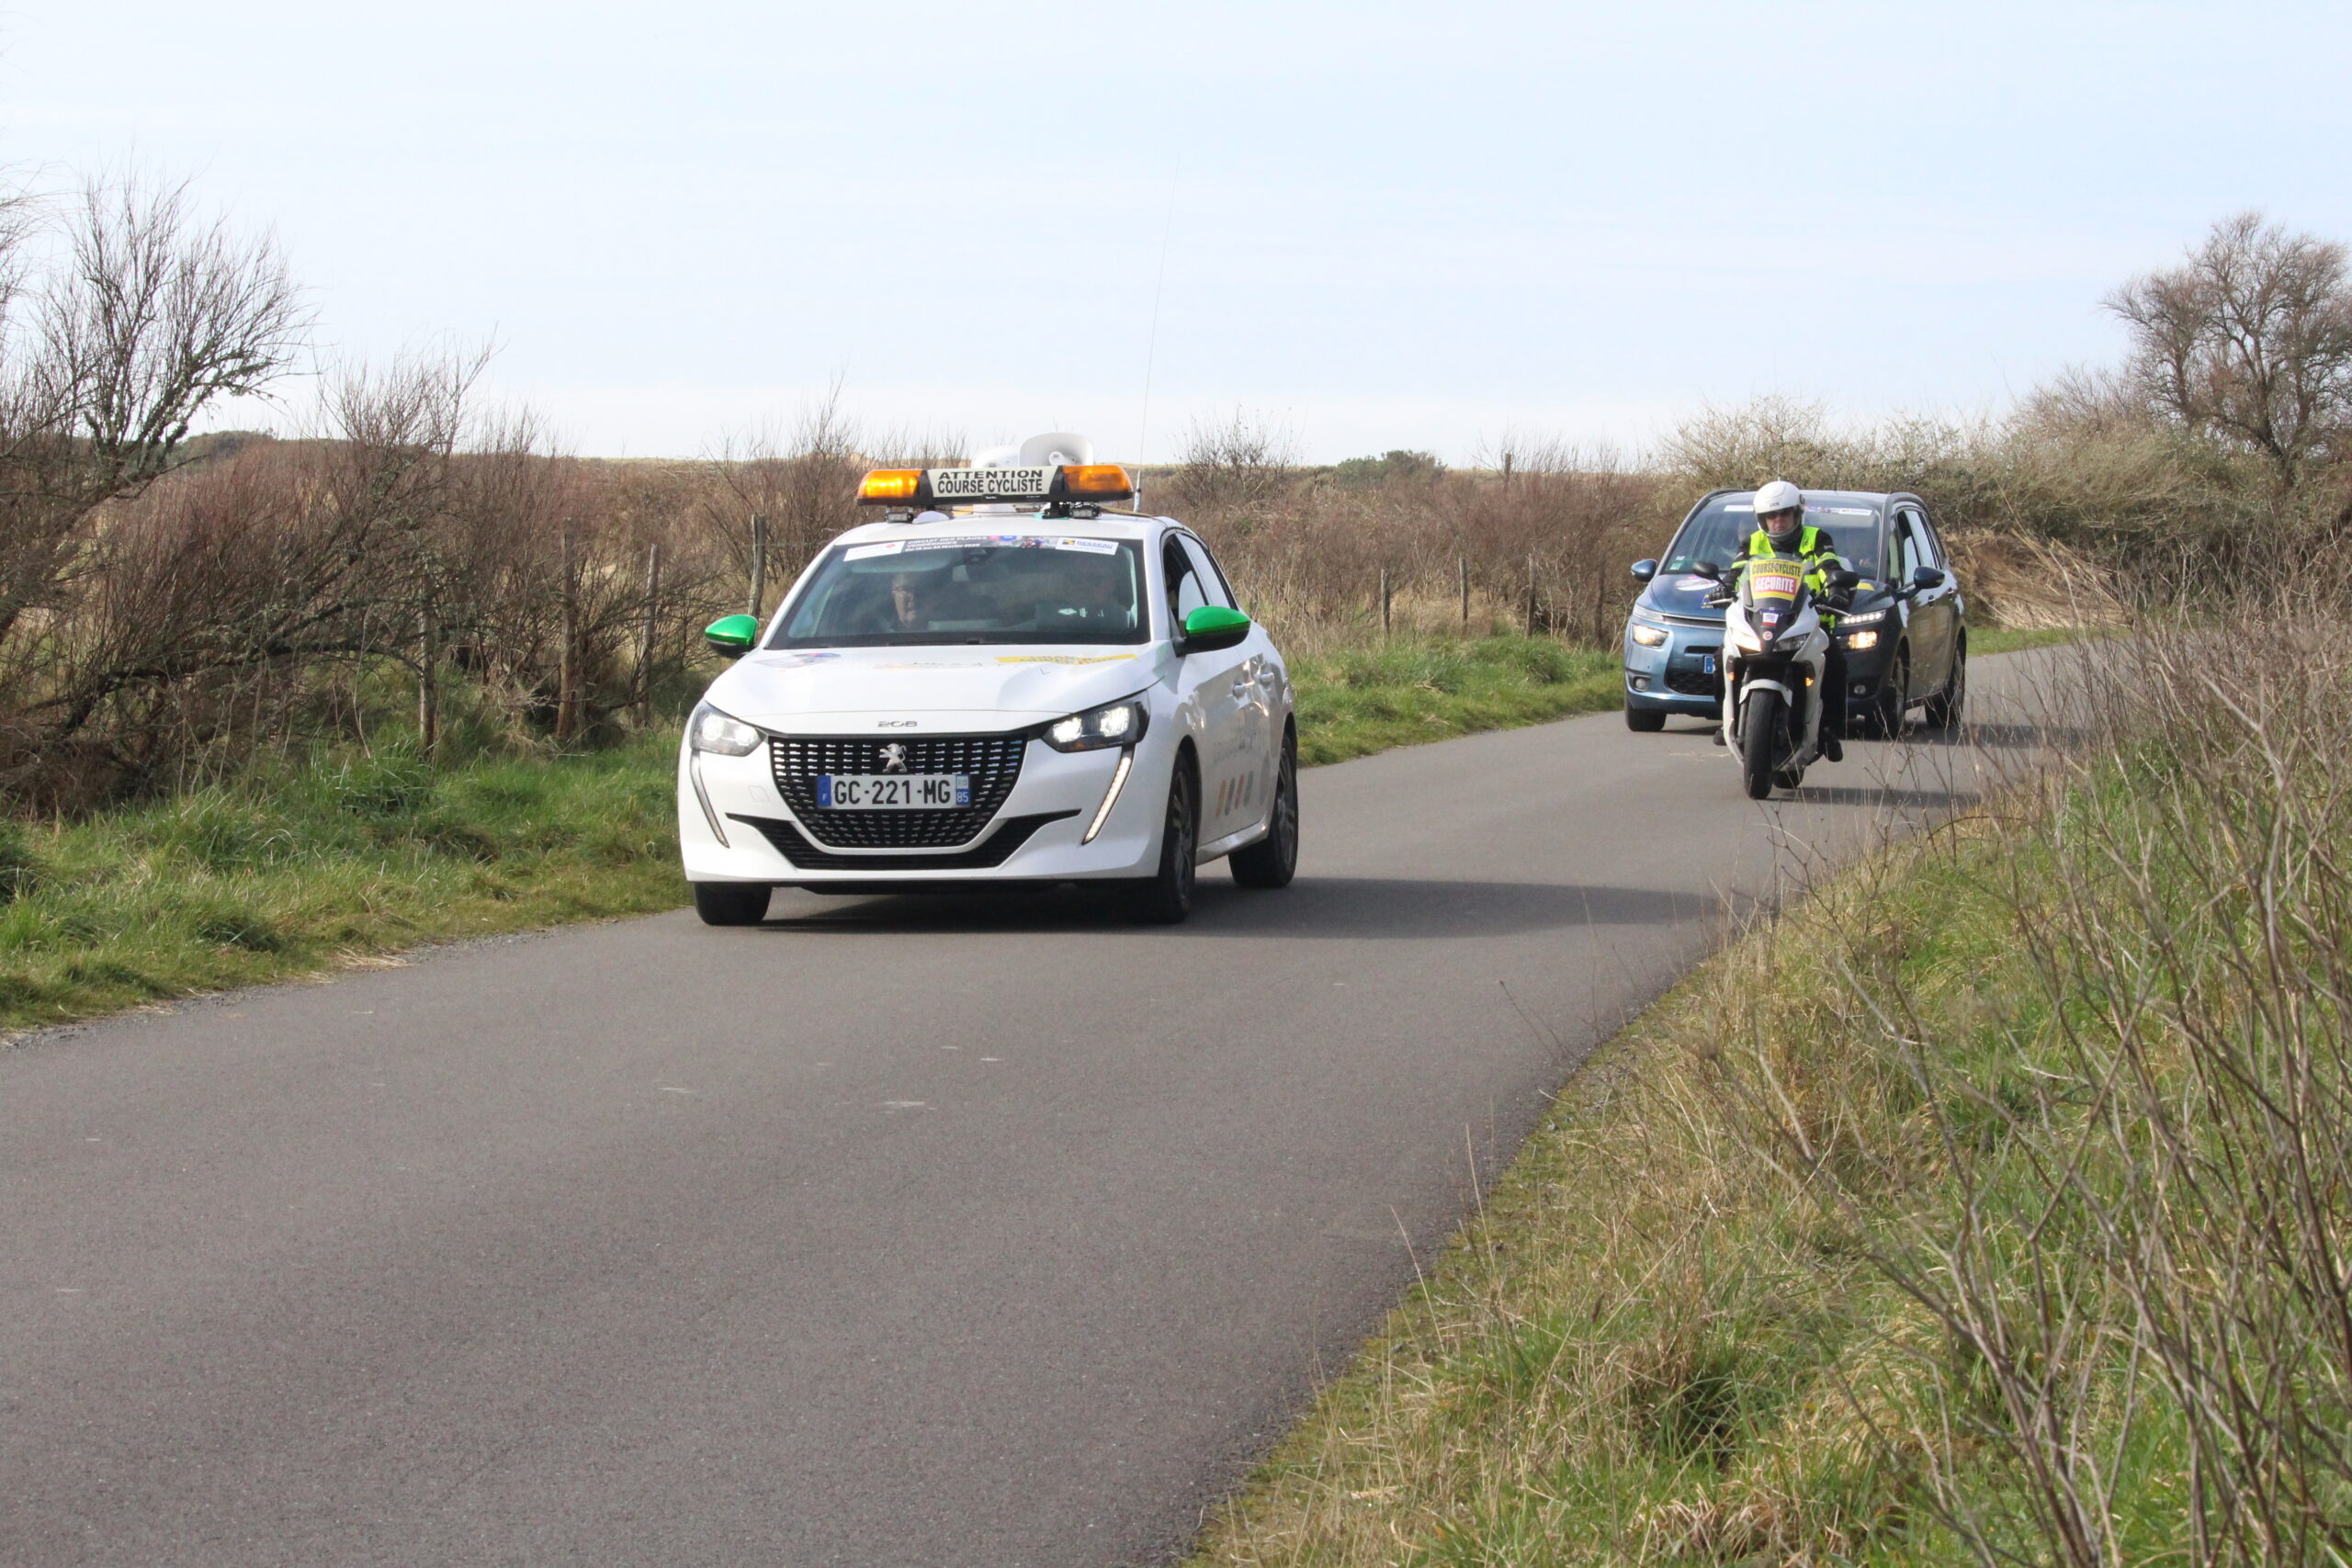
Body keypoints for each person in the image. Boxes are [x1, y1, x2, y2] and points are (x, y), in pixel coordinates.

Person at [1711, 479, 1851, 761]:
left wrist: (1837, 590)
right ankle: (1726, 718)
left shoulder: (1816, 538)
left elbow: (1829, 565)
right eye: (1771, 515)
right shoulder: (1753, 542)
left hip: (1809, 617)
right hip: (1761, 619)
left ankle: (1828, 729)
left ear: (1797, 513)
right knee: (1721, 656)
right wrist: (1722, 588)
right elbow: (1737, 571)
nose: (1778, 520)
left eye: (1784, 513)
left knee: (1835, 662)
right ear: (1761, 519)